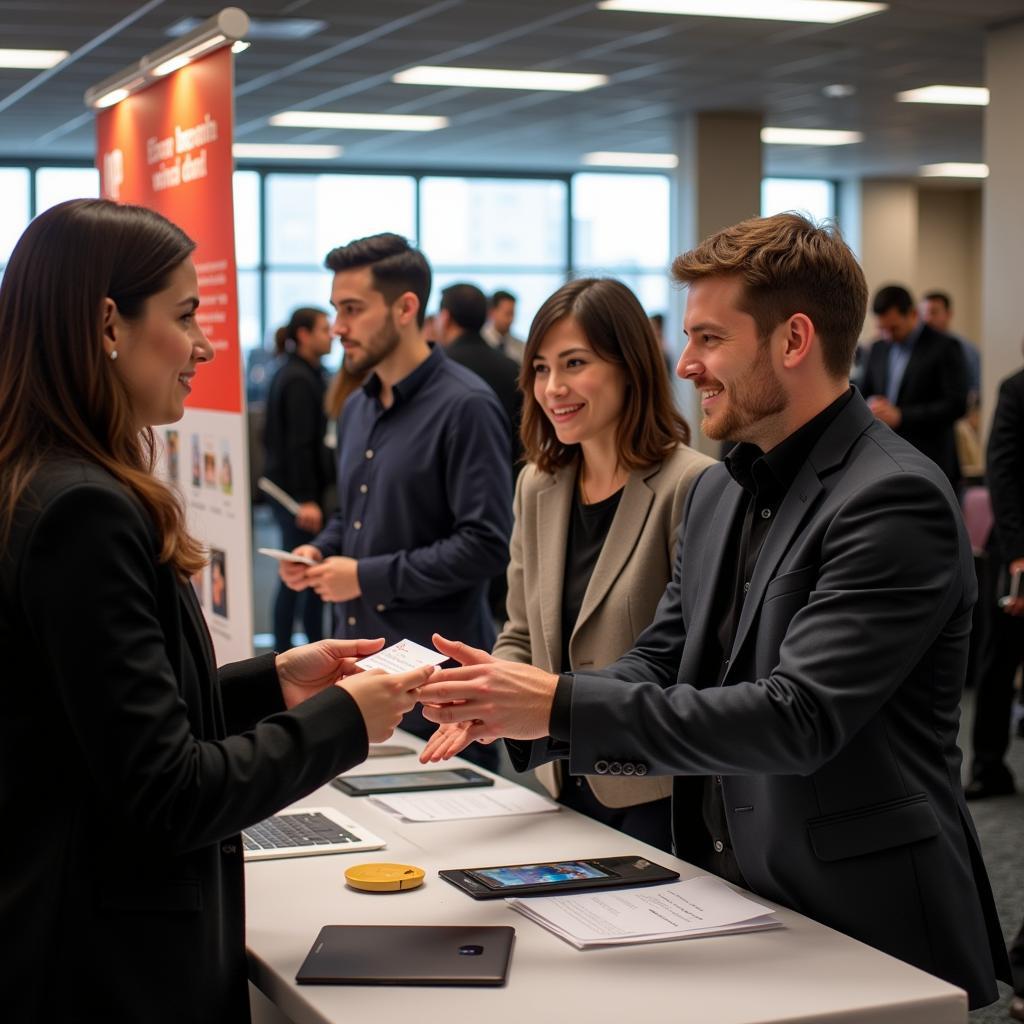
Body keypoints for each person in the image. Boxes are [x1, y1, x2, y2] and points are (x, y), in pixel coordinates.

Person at [416, 213, 1008, 1008]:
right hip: (735, 890)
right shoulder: (724, 488)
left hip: (868, 917)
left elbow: (797, 718)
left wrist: (560, 700)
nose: (686, 363)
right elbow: (662, 657)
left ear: (793, 341)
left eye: (709, 339)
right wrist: (529, 712)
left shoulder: (892, 497)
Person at [0, 199, 433, 1023]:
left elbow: (104, 720)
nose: (204, 346)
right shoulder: (81, 511)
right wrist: (345, 717)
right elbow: (170, 792)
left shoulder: (43, 479)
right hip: (102, 963)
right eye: (186, 315)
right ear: (106, 325)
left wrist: (273, 682)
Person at [424, 278, 713, 852]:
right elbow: (520, 632)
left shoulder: (695, 484)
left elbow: (689, 663)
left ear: (630, 366)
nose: (553, 388)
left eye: (574, 363)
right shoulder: (538, 484)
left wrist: (543, 698)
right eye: (539, 368)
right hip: (555, 779)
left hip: (655, 792)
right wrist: (487, 694)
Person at [279, 233, 512, 769]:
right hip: (358, 683)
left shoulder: (466, 406)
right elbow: (351, 515)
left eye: (353, 310)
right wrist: (319, 552)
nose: (338, 327)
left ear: (406, 308)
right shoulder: (357, 406)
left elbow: (484, 546)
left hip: (435, 691)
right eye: (336, 309)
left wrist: (363, 575)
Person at [965, 361, 1024, 799]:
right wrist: (1019, 553)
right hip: (1016, 549)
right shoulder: (1016, 389)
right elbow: (1001, 473)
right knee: (998, 660)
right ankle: (988, 767)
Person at [263, 307, 335, 650]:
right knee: (297, 577)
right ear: (304, 335)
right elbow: (299, 444)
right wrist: (307, 498)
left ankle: (308, 645)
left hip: (291, 493)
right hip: (295, 498)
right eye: (324, 328)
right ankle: (285, 651)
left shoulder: (300, 372)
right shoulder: (299, 380)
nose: (332, 333)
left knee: (302, 578)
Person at [859, 284, 968, 487]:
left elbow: (956, 405)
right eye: (882, 329)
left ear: (913, 314)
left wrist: (902, 416)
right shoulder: (878, 348)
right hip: (884, 460)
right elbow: (864, 391)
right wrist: (872, 403)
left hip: (932, 460)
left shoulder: (944, 347)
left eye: (894, 328)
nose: (888, 336)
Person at [919, 290, 981, 407]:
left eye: (933, 312)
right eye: (923, 313)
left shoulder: (965, 349)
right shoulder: (914, 348)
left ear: (948, 314)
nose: (927, 319)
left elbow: (977, 388)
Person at [481, 288, 526, 363]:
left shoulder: (521, 347)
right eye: (507, 314)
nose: (511, 319)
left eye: (513, 314)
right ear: (492, 312)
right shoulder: (481, 341)